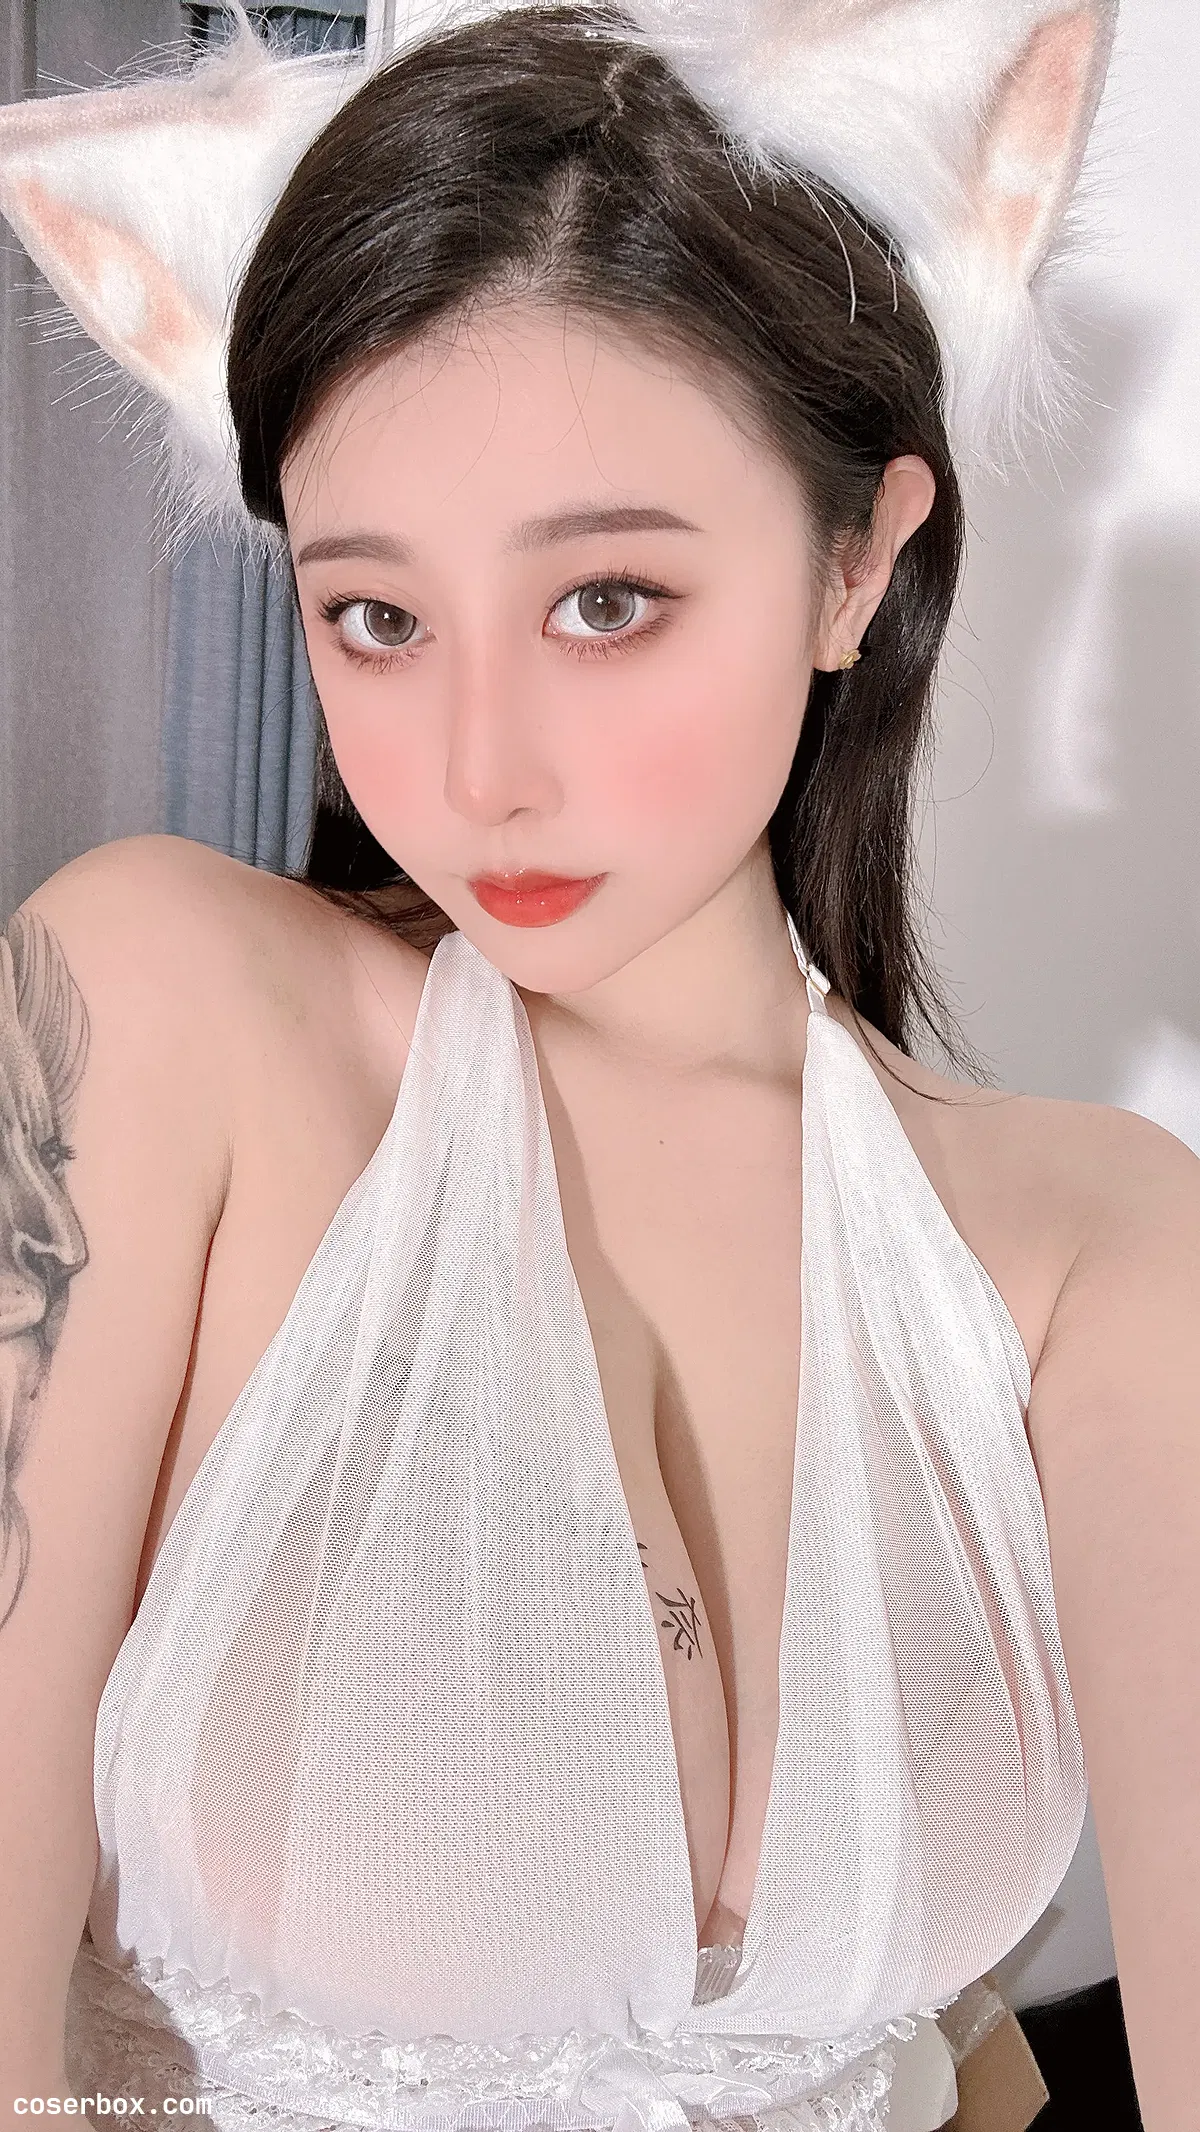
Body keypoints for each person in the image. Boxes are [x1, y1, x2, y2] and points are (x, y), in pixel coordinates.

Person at [0, 1, 1195, 2128]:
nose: (478, 772)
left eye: (606, 601)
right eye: (377, 617)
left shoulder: (1087, 1241)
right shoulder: (157, 1014)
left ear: (856, 561)